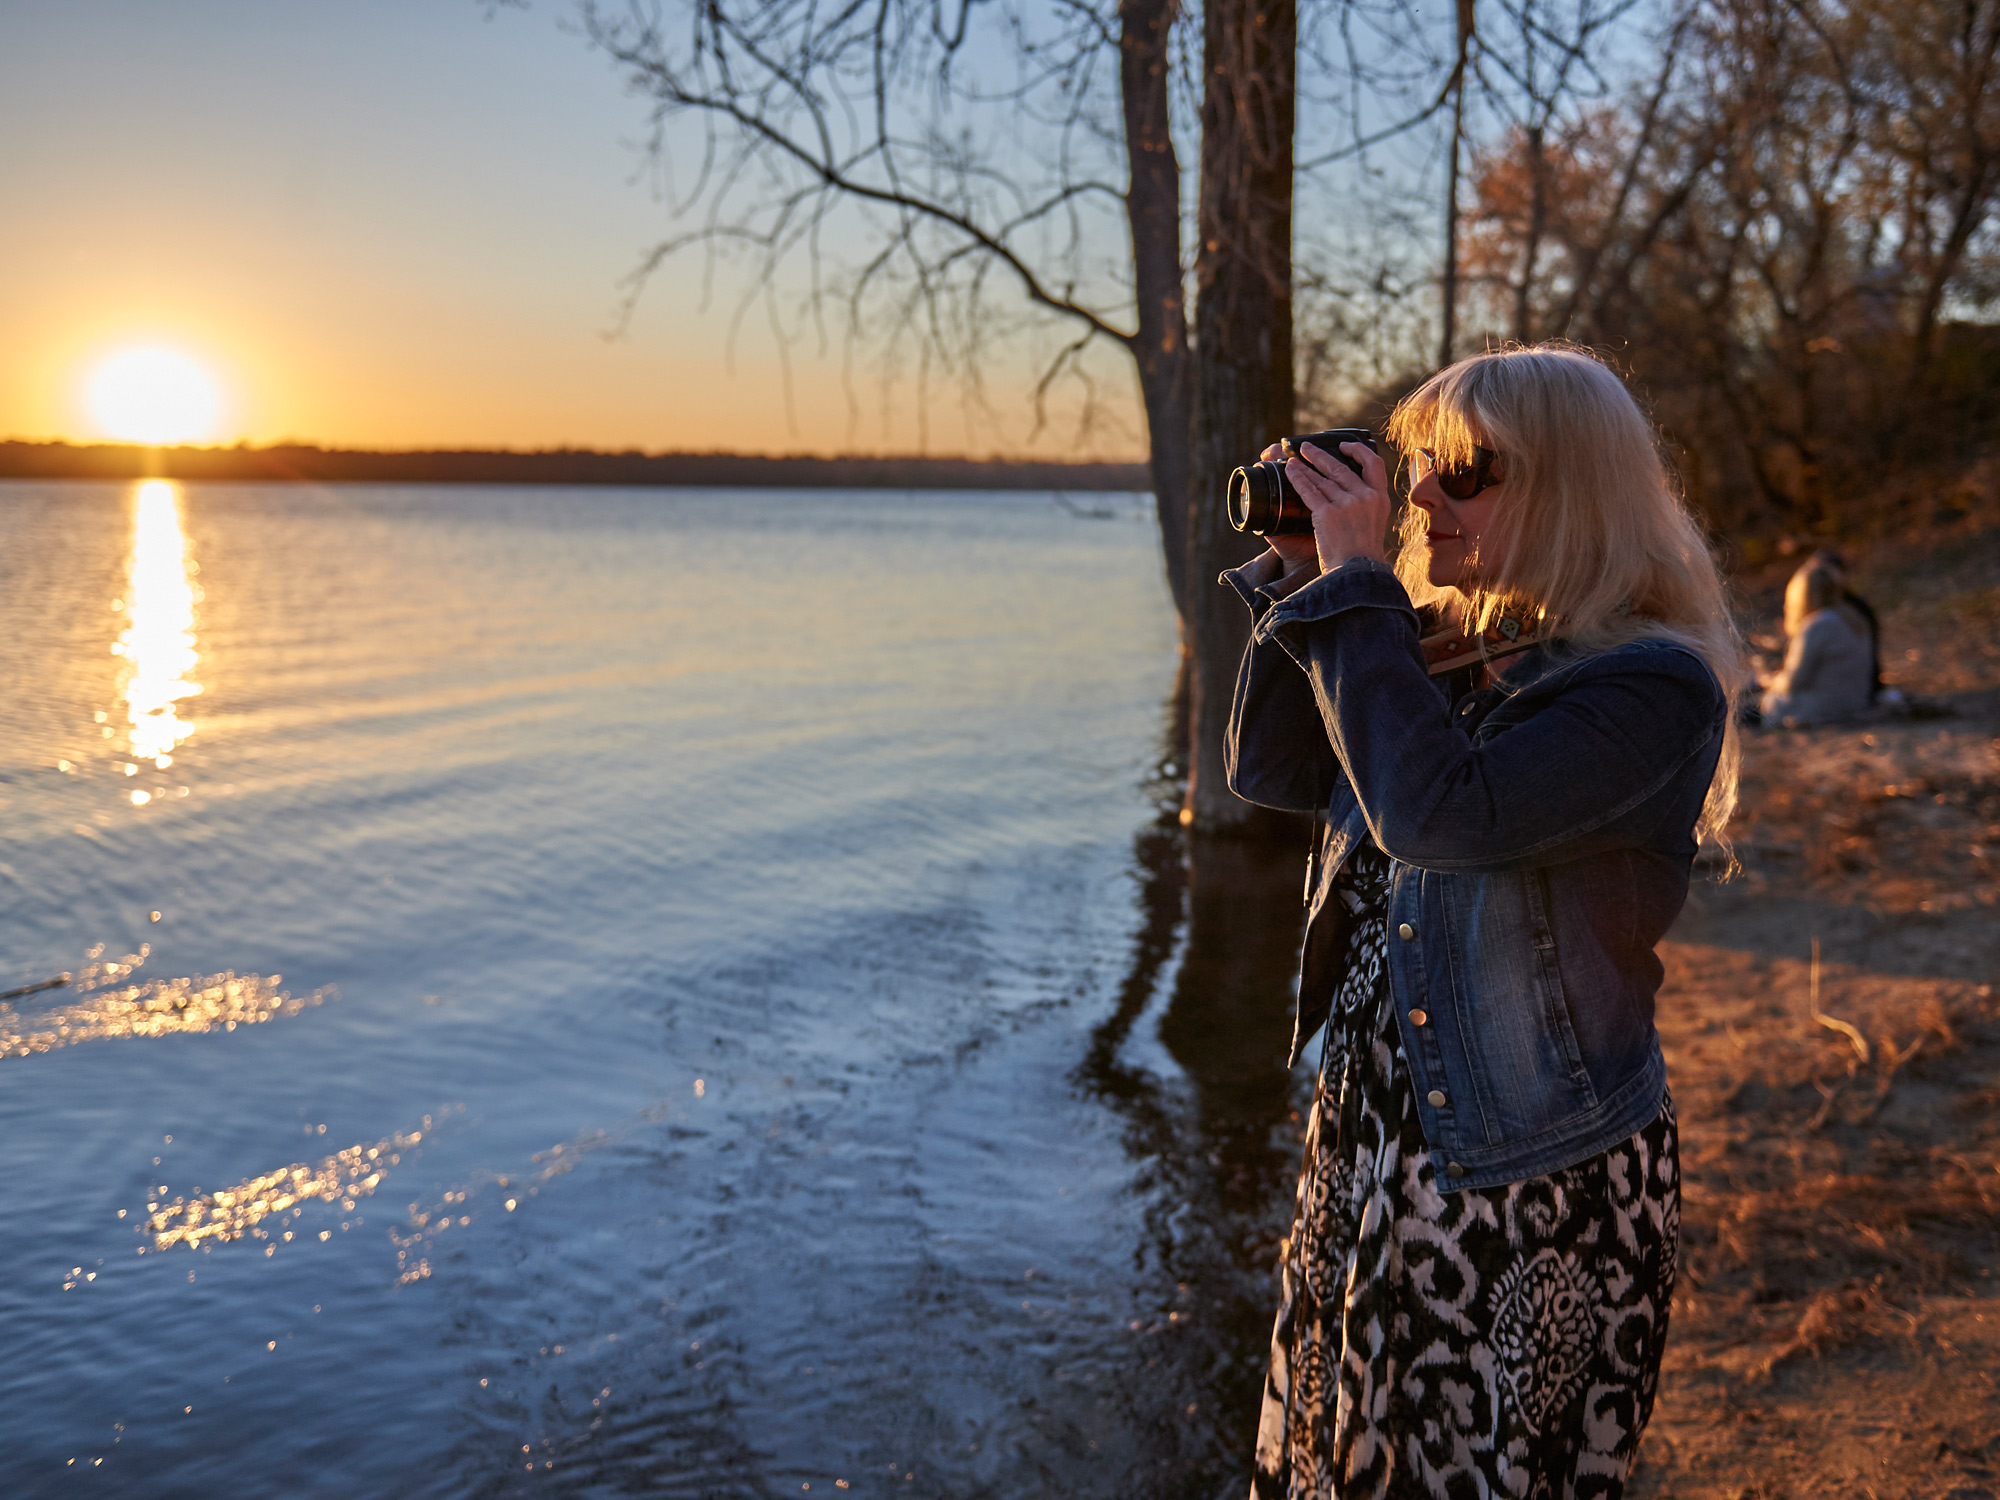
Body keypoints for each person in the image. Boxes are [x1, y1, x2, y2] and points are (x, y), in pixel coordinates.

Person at [1221, 344, 1739, 1499]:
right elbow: (1275, 768)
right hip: (1375, 1147)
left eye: (1463, 471)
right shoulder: (1458, 650)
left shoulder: (1651, 687)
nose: (1417, 499)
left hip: (1520, 1186)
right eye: (1415, 467)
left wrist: (1358, 597)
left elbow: (1438, 816)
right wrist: (1302, 572)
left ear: (1569, 485)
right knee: (1339, 1461)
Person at [1756, 554, 1876, 725]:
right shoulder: (1854, 619)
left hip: (1822, 708)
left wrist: (1770, 681)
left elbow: (1794, 681)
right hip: (1855, 703)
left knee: (1763, 706)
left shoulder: (1816, 625)